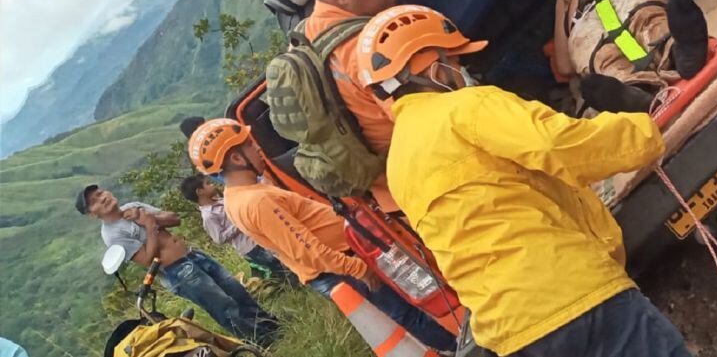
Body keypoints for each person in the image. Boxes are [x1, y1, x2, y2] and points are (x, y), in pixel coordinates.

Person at [354, 5, 693, 357]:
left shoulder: (398, 166)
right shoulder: (465, 108)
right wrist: (646, 130)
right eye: (453, 59)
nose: (460, 70)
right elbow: (560, 146)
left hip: (510, 335)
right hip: (571, 296)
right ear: (430, 65)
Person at [184, 118, 456, 353]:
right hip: (342, 268)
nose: (258, 149)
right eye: (250, 145)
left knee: (405, 314)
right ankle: (464, 350)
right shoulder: (256, 202)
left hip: (340, 266)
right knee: (408, 314)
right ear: (236, 158)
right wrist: (357, 268)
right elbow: (305, 249)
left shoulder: (239, 197)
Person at [76, 184, 278, 345]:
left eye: (101, 192)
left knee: (234, 289)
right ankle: (259, 339)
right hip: (178, 271)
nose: (102, 198)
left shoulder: (133, 207)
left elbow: (174, 219)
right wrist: (148, 225)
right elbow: (147, 259)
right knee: (222, 304)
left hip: (193, 255)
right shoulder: (112, 234)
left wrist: (147, 217)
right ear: (92, 214)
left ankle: (269, 324)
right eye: (94, 201)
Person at [294, 0, 409, 206]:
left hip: (392, 193)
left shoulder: (304, 38)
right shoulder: (369, 45)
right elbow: (427, 115)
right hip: (431, 177)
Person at [550, 0, 709, 113]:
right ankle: (633, 95)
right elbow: (565, 66)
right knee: (605, 63)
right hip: (585, 25)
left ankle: (681, 53)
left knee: (652, 24)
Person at [179, 174, 294, 283]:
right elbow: (219, 238)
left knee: (282, 259)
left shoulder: (220, 201)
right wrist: (238, 222)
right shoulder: (209, 216)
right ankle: (290, 288)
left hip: (256, 237)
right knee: (276, 266)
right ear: (200, 192)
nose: (212, 185)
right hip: (250, 246)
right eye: (208, 184)